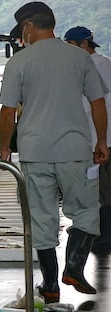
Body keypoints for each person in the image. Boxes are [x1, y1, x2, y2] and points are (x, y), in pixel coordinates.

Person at [0, 2, 109, 303]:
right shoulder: (79, 57)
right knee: (86, 209)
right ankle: (74, 267)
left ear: (28, 27)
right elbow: (97, 102)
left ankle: (50, 284)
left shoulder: (18, 62)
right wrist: (101, 141)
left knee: (42, 216)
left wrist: (5, 148)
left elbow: (7, 111)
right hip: (75, 149)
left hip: (35, 151)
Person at [64, 26, 111, 254]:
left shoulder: (85, 66)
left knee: (98, 190)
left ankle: (101, 237)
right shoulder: (107, 62)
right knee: (106, 189)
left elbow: (89, 105)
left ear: (83, 44)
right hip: (106, 137)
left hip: (94, 137)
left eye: (70, 46)